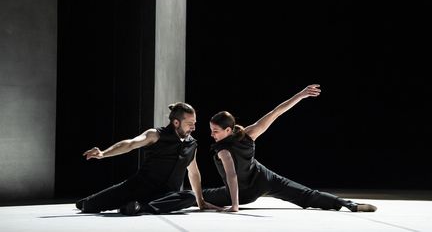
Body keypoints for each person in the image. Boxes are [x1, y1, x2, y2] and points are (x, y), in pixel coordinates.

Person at [202, 84, 377, 212]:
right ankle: (347, 203)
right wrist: (300, 95)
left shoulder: (225, 149)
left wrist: (234, 205)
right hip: (263, 179)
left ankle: (349, 204)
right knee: (307, 195)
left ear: (228, 130)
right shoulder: (249, 134)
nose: (212, 135)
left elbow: (232, 176)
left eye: (215, 131)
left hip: (248, 189)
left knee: (197, 196)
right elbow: (275, 113)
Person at [76, 102, 221, 215]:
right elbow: (130, 144)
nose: (194, 127)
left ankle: (138, 208)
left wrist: (201, 201)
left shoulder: (192, 144)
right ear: (176, 122)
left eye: (194, 123)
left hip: (164, 196)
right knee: (87, 206)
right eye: (190, 124)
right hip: (138, 188)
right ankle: (131, 205)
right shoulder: (155, 134)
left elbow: (193, 172)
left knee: (189, 196)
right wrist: (103, 153)